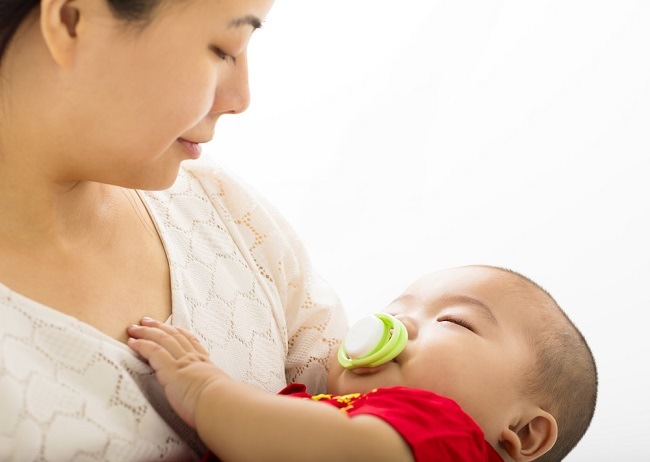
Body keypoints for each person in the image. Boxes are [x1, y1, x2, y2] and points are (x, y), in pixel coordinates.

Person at [0, 0, 348, 460]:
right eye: (224, 48)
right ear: (71, 19)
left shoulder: (220, 209)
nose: (241, 98)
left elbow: (379, 413)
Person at [128, 265, 599, 462]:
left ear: (523, 432)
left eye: (455, 322)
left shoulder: (445, 432)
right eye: (394, 312)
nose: (398, 326)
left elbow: (338, 447)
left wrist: (203, 387)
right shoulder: (318, 404)